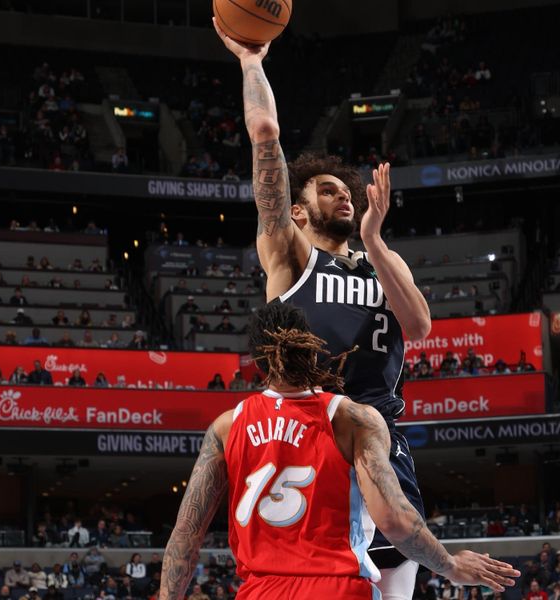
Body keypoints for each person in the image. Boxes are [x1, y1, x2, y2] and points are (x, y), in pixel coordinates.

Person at [213, 20, 434, 599]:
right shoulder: (288, 252)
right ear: (300, 212)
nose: (342, 193)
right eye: (327, 189)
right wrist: (251, 61)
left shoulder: (383, 261)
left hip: (383, 438)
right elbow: (264, 136)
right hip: (311, 435)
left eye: (347, 188)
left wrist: (377, 243)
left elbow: (418, 327)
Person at [159, 302, 519, 600]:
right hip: (338, 589)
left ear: (257, 361)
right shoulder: (354, 419)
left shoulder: (227, 426)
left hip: (260, 592)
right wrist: (451, 567)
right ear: (312, 347)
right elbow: (395, 521)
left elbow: (186, 535)